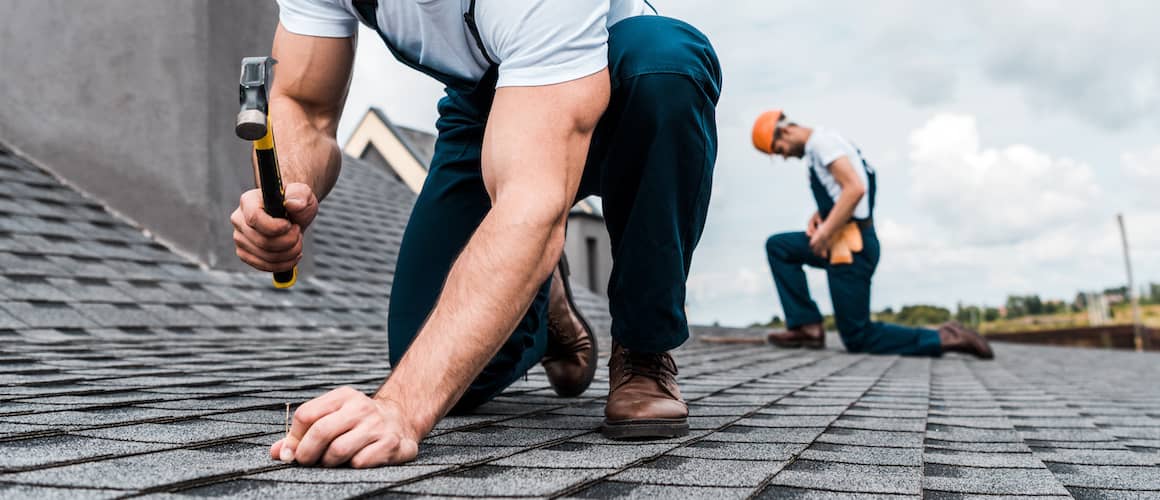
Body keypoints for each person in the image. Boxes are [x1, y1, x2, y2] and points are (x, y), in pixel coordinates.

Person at [230, 0, 721, 468]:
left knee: (666, 68)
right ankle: (544, 302)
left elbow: (531, 205)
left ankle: (643, 348)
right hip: (486, 101)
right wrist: (289, 192)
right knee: (437, 364)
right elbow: (304, 105)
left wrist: (399, 408)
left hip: (621, 76)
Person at [750, 109, 992, 360]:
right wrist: (821, 214)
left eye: (779, 149)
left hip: (852, 249)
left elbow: (855, 189)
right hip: (841, 241)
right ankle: (806, 327)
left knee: (858, 336)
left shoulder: (823, 144)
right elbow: (844, 189)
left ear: (787, 130)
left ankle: (944, 337)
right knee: (780, 247)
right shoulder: (822, 145)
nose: (785, 156)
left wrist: (824, 234)